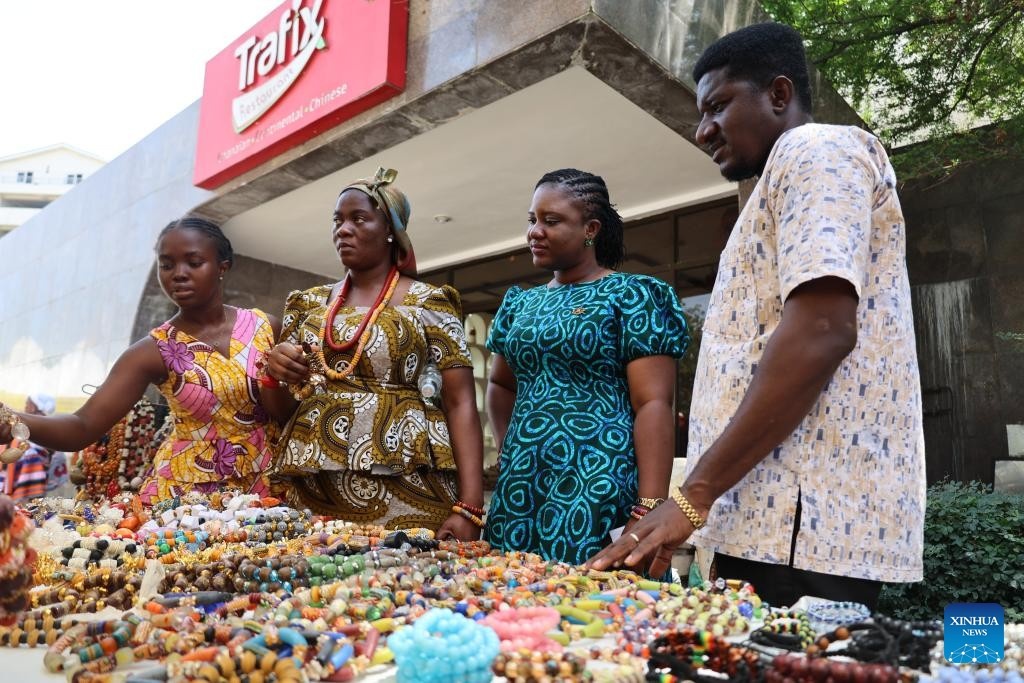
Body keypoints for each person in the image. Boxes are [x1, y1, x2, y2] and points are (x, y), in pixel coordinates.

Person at [589, 23, 925, 609]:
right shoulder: (782, 177)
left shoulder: (815, 150)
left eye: (717, 106)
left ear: (778, 94)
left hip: (804, 528)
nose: (701, 131)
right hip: (766, 527)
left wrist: (691, 499)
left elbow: (822, 331)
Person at [261, 167, 484, 541]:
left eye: (358, 219)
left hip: (410, 488)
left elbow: (461, 402)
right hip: (317, 489)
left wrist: (471, 507)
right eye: (338, 220)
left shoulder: (429, 303)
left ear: (390, 232)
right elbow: (283, 411)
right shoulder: (308, 305)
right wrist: (275, 372)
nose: (342, 229)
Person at [485, 169, 689, 566]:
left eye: (552, 220)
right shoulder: (519, 305)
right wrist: (512, 448)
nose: (535, 231)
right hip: (521, 485)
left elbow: (653, 404)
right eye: (532, 220)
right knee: (510, 592)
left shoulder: (632, 296)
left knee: (593, 598)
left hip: (597, 478)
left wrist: (649, 505)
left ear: (591, 229)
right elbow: (500, 384)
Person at [0, 217, 280, 503]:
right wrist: (12, 419)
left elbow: (290, 409)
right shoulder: (151, 351)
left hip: (269, 481)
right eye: (167, 265)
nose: (178, 274)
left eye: (193, 263)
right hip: (187, 500)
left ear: (222, 267)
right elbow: (82, 426)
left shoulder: (266, 327)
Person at [0, 394, 56, 503]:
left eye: (27, 404)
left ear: (33, 407)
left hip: (17, 495)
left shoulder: (30, 449)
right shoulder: (48, 430)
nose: (25, 407)